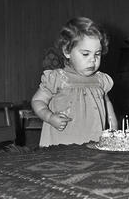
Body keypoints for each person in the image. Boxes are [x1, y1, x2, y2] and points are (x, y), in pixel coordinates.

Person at [32, 17, 118, 147]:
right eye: (85, 54)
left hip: (93, 141)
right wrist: (49, 117)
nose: (92, 60)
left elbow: (107, 105)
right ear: (67, 51)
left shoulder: (100, 80)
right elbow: (37, 101)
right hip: (61, 144)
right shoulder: (57, 78)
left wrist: (113, 130)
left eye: (97, 54)